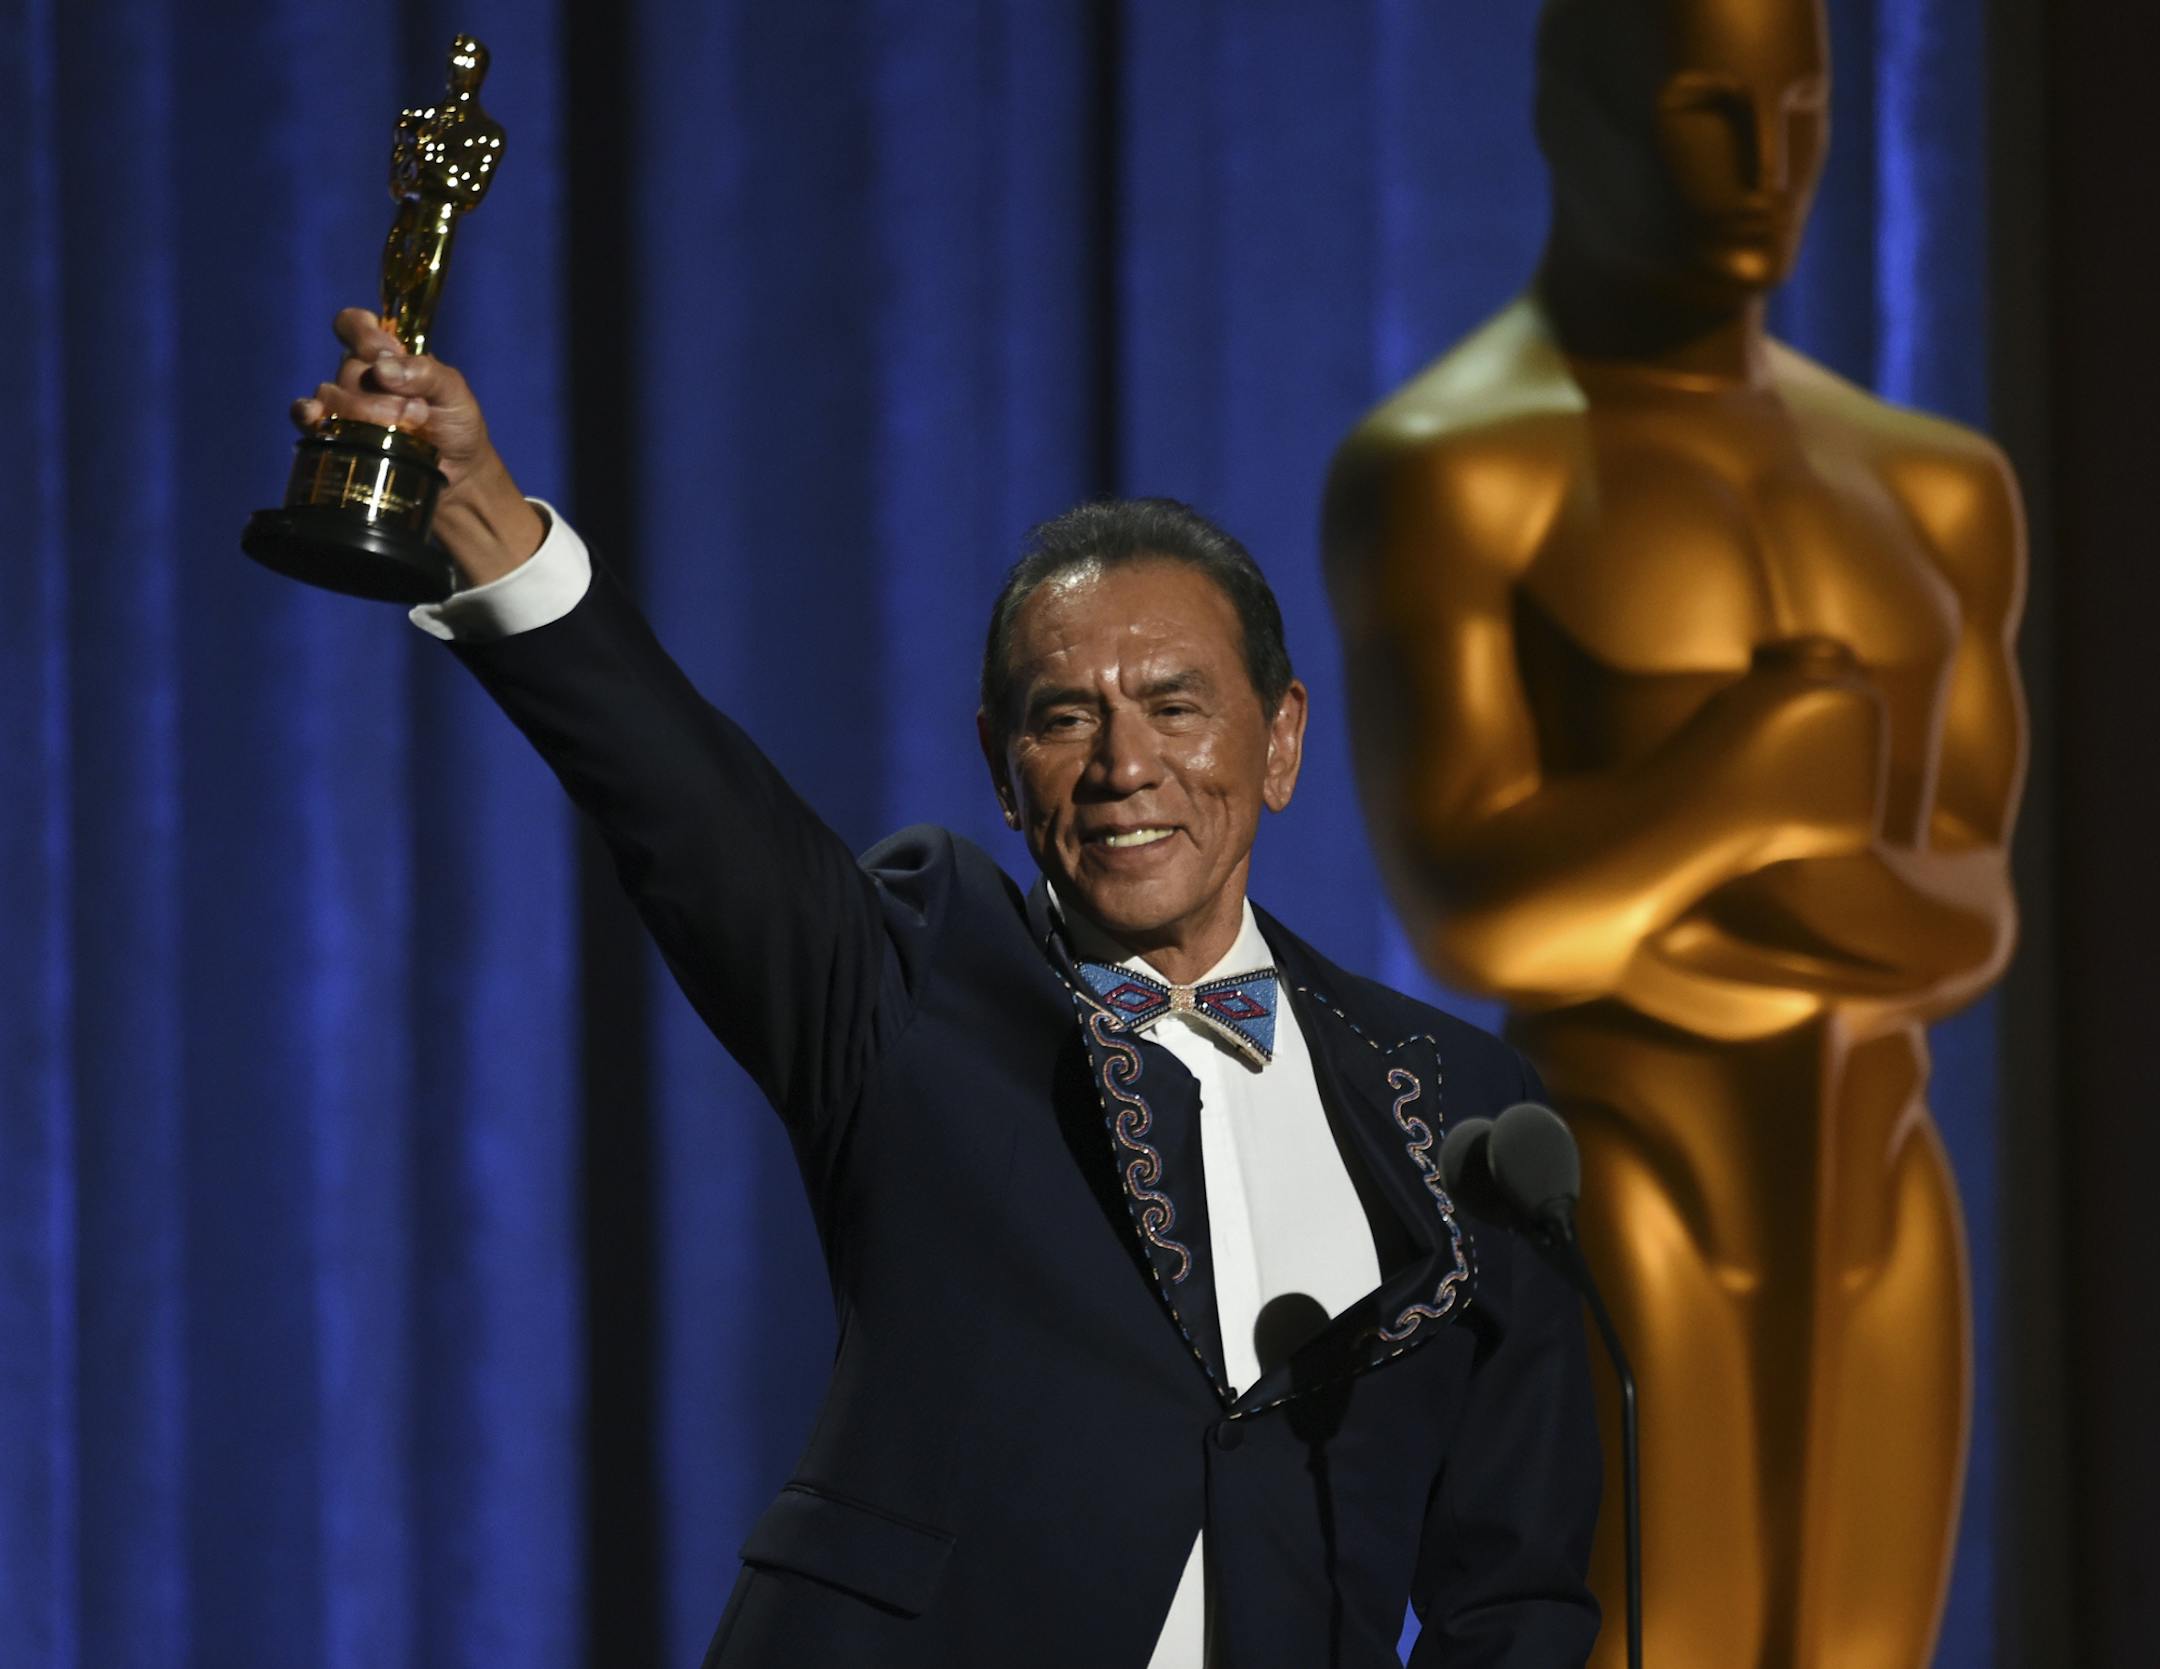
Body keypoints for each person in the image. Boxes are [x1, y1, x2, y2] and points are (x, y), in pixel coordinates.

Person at [291, 307, 1601, 1668]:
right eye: (1062, 715)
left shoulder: (1461, 1111)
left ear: (1279, 740)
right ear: (999, 762)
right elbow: (689, 810)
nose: (1122, 763)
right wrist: (493, 524)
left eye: (1173, 702)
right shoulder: (912, 981)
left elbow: (1512, 1590)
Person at [1321, 0, 2023, 1662]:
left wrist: (1689, 875)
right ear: (1575, 112)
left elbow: (1974, 907)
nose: (1764, 168)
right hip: (1620, 1177)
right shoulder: (1460, 470)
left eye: (1800, 112)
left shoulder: (1933, 489)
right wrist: (1753, 786)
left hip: (1883, 1191)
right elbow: (1479, 915)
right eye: (1709, 111)